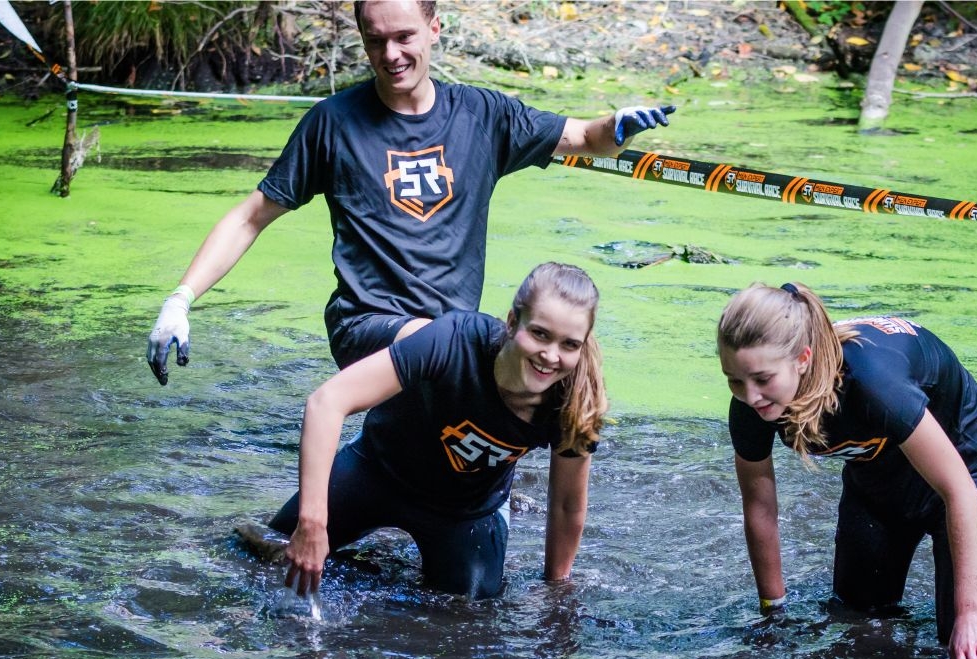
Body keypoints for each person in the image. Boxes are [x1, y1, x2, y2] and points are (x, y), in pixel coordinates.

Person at [147, 0, 674, 384]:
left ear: (434, 28)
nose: (391, 54)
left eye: (404, 37)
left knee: (555, 364)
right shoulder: (332, 124)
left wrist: (619, 125)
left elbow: (587, 139)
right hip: (366, 325)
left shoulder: (482, 116)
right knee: (471, 347)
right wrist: (179, 301)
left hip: (448, 332)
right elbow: (250, 217)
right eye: (375, 41)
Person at [716, 282, 977, 659]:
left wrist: (971, 615)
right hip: (879, 476)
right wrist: (774, 613)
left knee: (963, 653)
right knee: (855, 624)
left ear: (802, 359)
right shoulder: (752, 404)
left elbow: (958, 488)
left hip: (968, 469)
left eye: (762, 379)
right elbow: (759, 505)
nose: (750, 396)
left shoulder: (872, 382)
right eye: (735, 381)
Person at [272, 261, 607, 601]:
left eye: (569, 344)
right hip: (376, 470)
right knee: (270, 555)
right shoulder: (454, 340)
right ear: (511, 323)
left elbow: (566, 504)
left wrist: (556, 595)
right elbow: (327, 402)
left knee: (466, 612)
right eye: (539, 334)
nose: (550, 356)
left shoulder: (575, 401)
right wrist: (312, 523)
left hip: (465, 512)